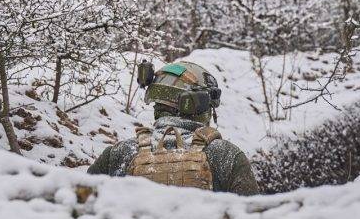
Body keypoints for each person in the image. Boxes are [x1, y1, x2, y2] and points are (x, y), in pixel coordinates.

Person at [88, 60, 259, 195]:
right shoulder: (226, 155)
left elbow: (80, 216)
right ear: (198, 104)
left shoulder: (119, 154)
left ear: (157, 105)